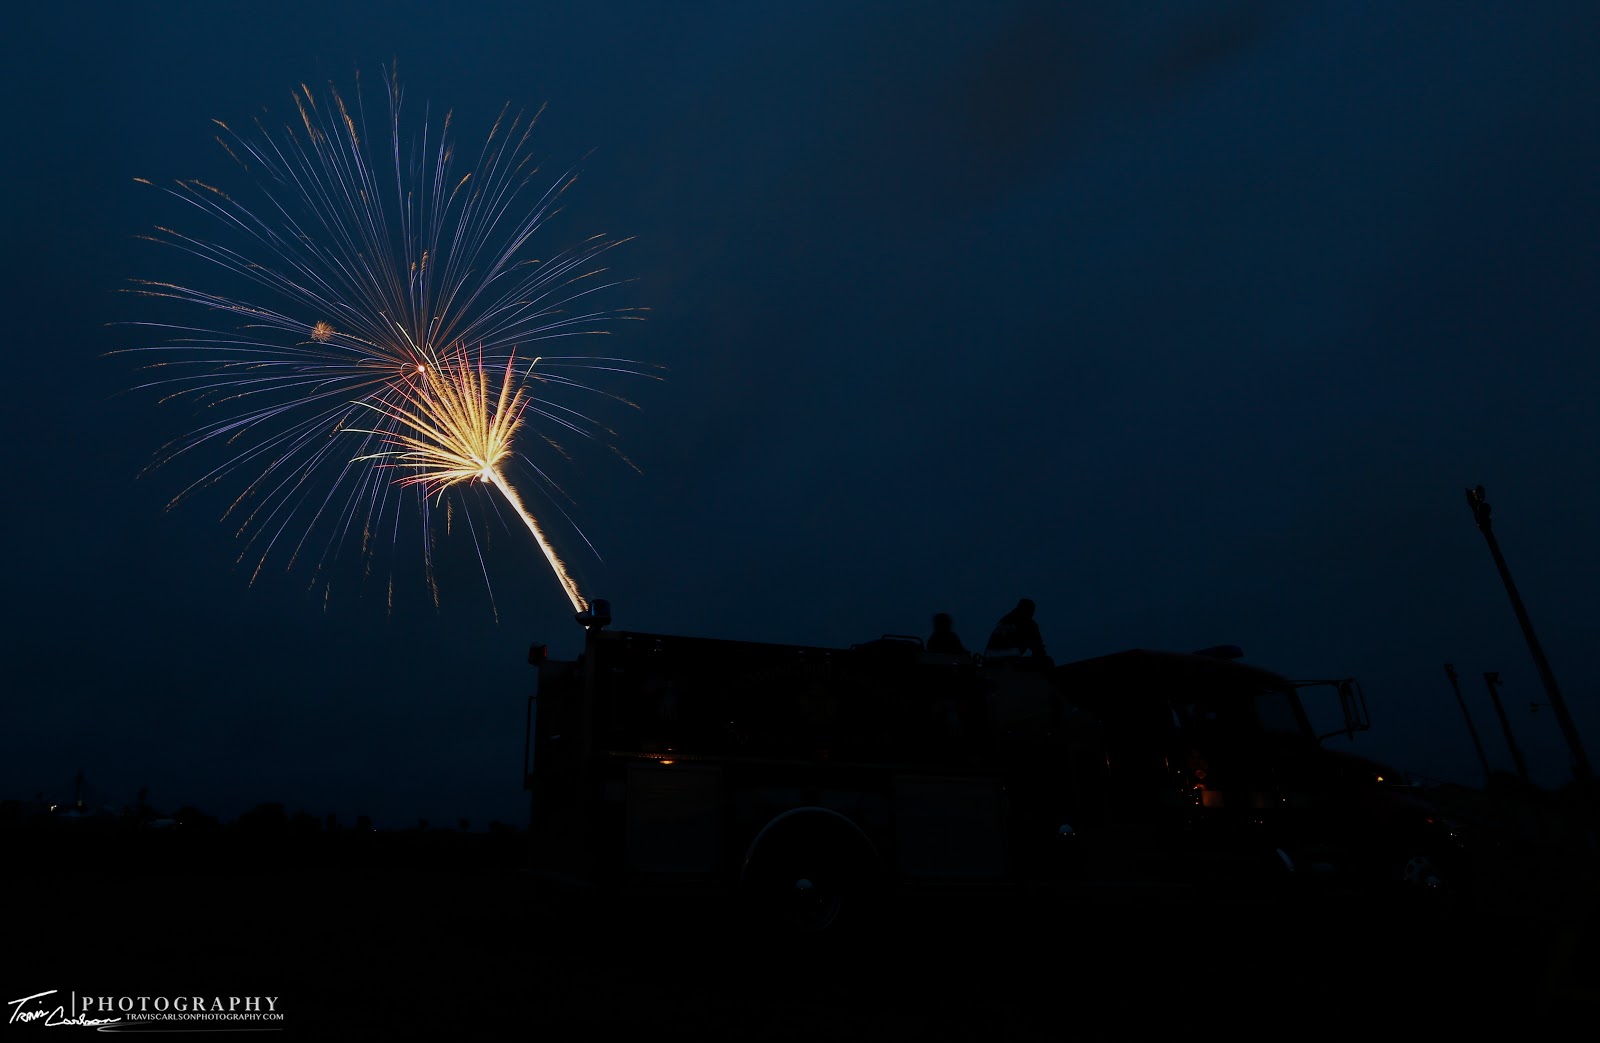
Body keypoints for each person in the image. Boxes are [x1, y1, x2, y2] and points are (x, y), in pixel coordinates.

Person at [984, 597, 1048, 662]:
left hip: (989, 659)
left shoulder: (1005, 620)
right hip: (1009, 660)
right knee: (1046, 662)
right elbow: (1037, 647)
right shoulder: (1028, 623)